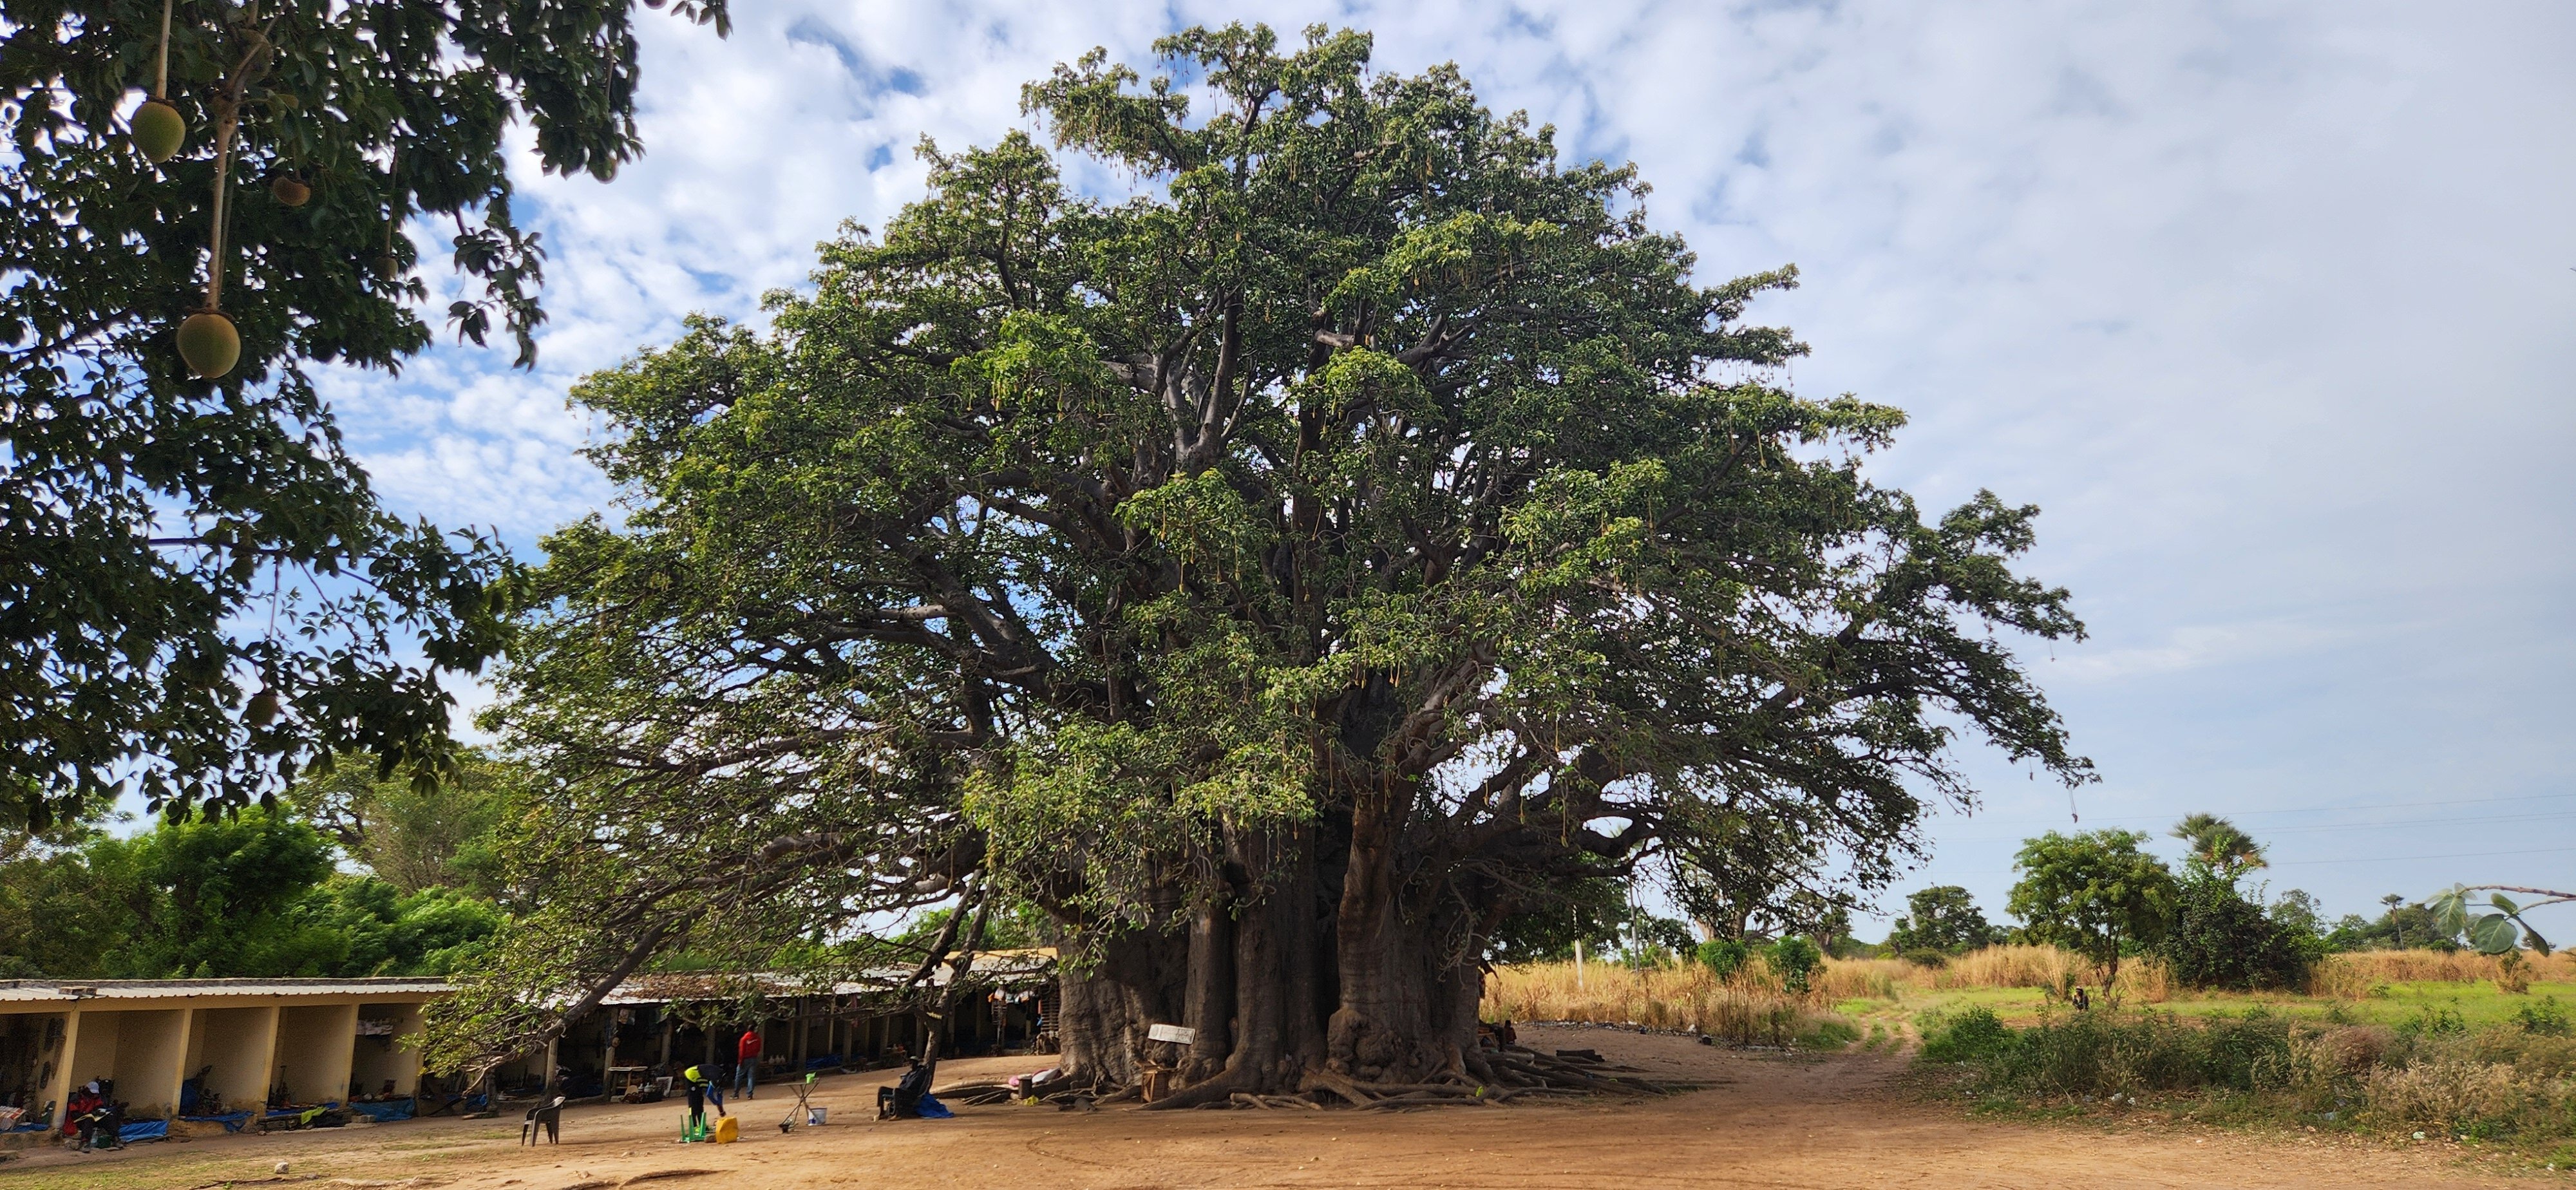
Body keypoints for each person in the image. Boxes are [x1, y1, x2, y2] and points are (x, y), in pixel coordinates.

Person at [735, 1026, 762, 1099]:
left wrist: (740, 1061)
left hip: (745, 1059)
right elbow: (759, 1049)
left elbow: (741, 1051)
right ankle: (750, 1094)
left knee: (739, 1076)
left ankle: (736, 1094)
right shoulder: (758, 1038)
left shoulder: (744, 1039)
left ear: (747, 1030)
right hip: (754, 1059)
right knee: (751, 1077)